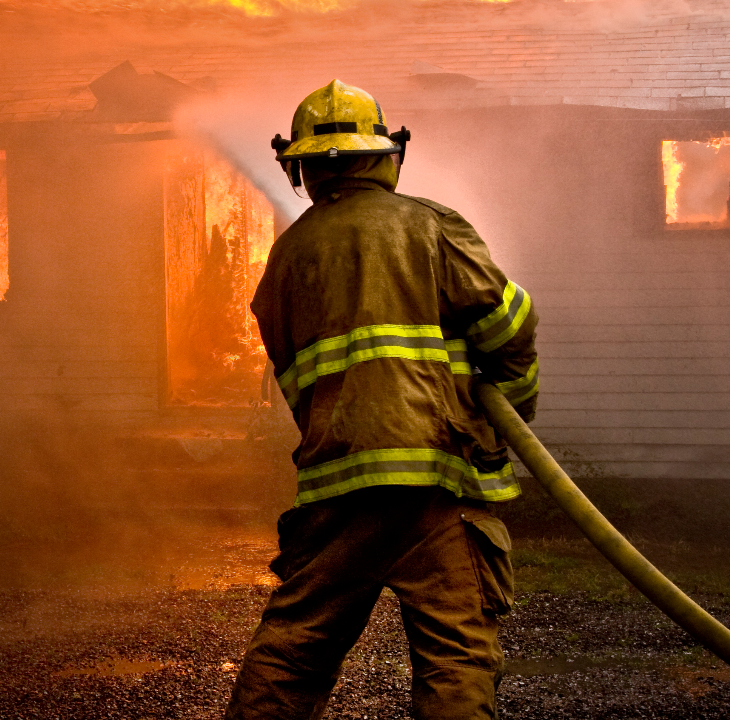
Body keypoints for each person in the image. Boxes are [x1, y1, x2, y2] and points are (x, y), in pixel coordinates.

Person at [226, 80, 539, 720]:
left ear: (302, 168)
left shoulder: (283, 261)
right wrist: (507, 411)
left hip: (336, 489)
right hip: (435, 483)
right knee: (456, 655)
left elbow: (296, 381)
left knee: (292, 654)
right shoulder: (430, 225)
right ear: (384, 155)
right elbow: (509, 326)